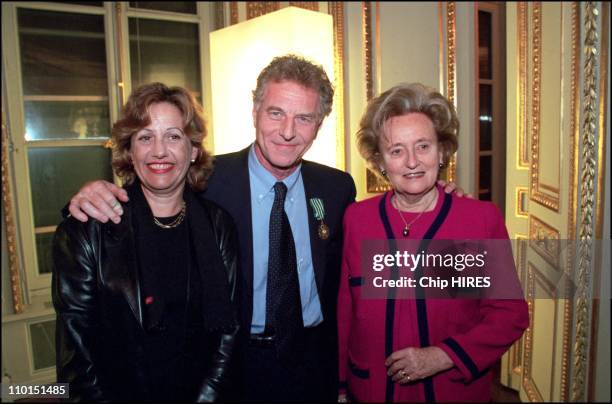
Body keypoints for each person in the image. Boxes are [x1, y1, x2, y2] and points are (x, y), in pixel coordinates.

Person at [65, 56, 463, 402]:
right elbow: (154, 178)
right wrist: (92, 194)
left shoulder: (338, 188)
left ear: (319, 124)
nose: (288, 131)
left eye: (304, 118)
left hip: (315, 364)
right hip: (232, 365)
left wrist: (438, 198)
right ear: (255, 111)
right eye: (276, 113)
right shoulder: (207, 179)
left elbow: (382, 262)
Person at [337, 83, 529, 402]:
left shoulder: (477, 221)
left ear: (441, 152)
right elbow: (346, 310)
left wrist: (441, 357)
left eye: (423, 146)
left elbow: (509, 315)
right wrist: (341, 386)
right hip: (370, 389)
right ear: (380, 161)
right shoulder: (358, 219)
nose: (412, 161)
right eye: (396, 150)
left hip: (450, 391)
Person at [53, 83, 239, 401]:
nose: (159, 151)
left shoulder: (218, 225)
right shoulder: (88, 229)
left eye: (173, 136)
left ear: (193, 150)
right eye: (145, 137)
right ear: (130, 151)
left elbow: (228, 336)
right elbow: (77, 355)